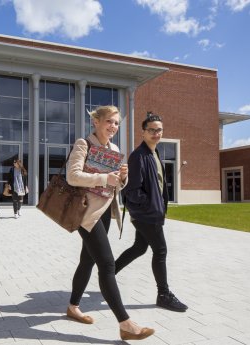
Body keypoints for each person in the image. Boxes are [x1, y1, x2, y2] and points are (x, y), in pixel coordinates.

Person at [66, 105, 155, 341]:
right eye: (109, 122)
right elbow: (72, 176)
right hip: (86, 213)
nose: (113, 127)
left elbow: (115, 185)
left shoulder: (114, 149)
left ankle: (73, 306)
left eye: (116, 123)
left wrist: (122, 178)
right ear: (96, 122)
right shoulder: (83, 144)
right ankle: (125, 324)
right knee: (106, 264)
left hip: (105, 211)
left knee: (87, 260)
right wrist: (106, 176)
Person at [115, 112, 188, 312]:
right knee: (161, 250)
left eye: (159, 130)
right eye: (152, 130)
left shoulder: (154, 152)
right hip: (146, 215)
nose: (156, 133)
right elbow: (132, 190)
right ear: (143, 132)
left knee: (139, 247)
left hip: (151, 213)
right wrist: (150, 205)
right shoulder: (138, 156)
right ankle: (163, 294)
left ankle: (108, 272)